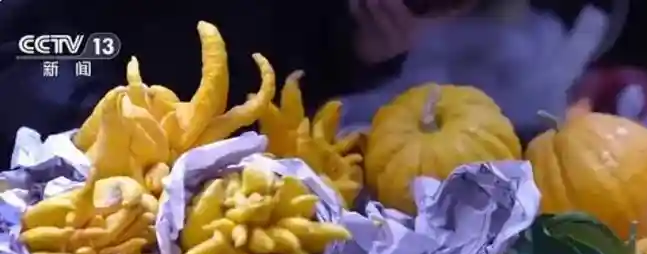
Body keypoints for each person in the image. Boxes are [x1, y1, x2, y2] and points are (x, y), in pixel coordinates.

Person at [0, 0, 478, 168]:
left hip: (216, 182)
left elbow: (286, 67)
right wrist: (101, 124)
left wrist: (357, 52)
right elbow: (26, 43)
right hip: (61, 148)